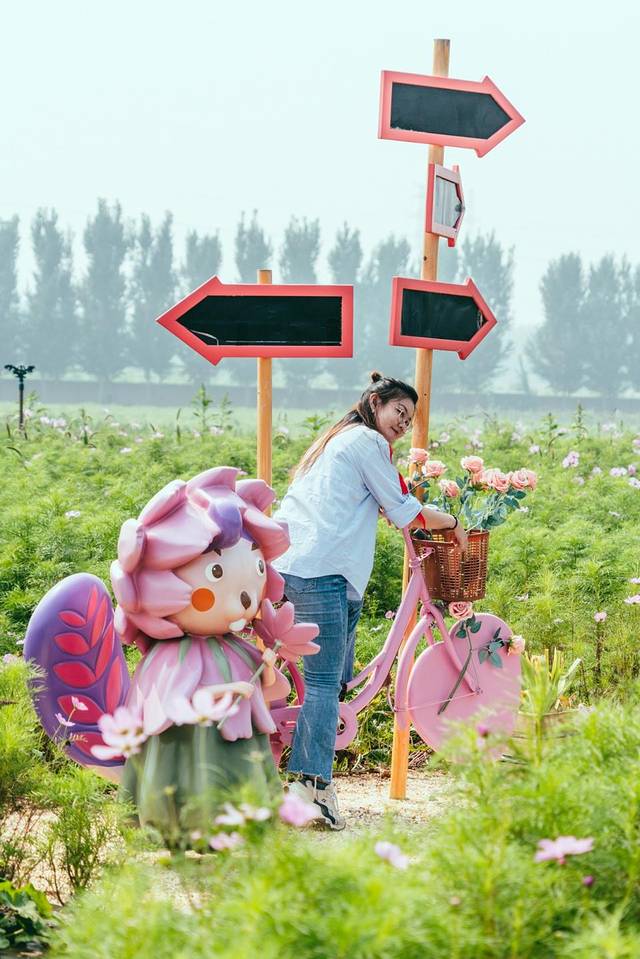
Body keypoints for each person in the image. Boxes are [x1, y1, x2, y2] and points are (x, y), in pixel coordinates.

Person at [274, 371, 468, 829]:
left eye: (409, 418)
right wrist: (452, 523)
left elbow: (380, 500)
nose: (403, 422)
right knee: (324, 683)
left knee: (331, 679)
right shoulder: (366, 441)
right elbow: (404, 509)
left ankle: (308, 763)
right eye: (399, 411)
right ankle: (309, 788)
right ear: (375, 402)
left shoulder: (338, 439)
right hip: (321, 569)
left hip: (300, 565)